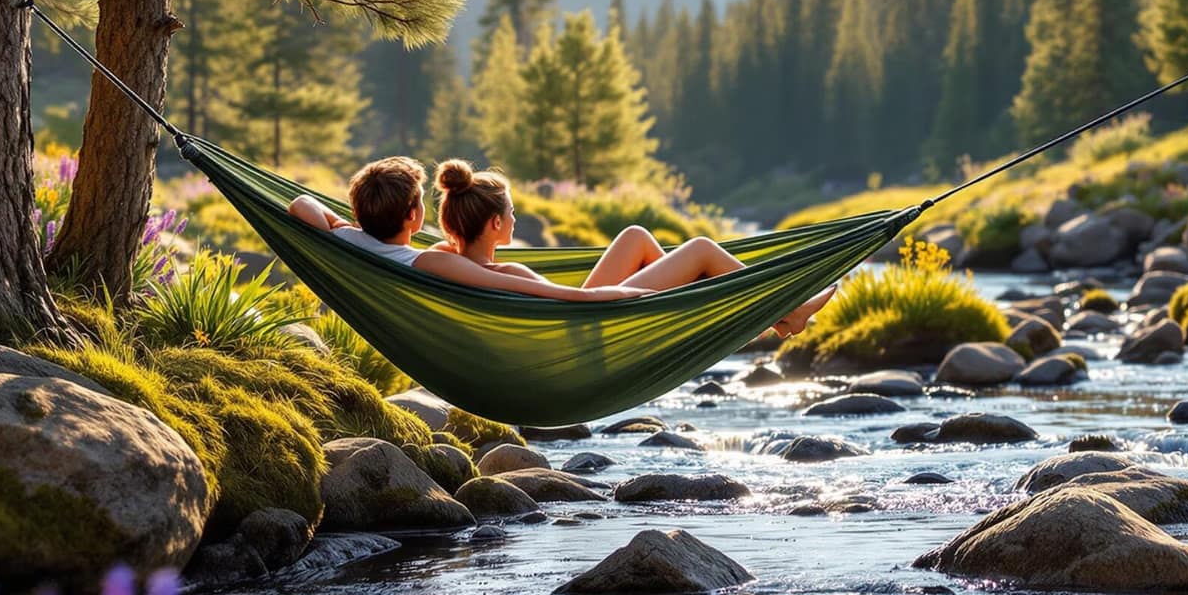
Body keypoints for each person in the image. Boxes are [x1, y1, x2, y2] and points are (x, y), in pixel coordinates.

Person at [429, 159, 834, 338]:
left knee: (635, 236)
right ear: (496, 224)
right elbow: (576, 299)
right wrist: (634, 295)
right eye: (512, 212)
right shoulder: (505, 274)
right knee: (701, 250)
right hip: (590, 333)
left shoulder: (447, 261)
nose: (516, 220)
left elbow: (430, 251)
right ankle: (786, 312)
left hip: (574, 325)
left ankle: (760, 315)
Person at [287, 156, 647, 302]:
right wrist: (592, 297)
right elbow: (505, 282)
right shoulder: (425, 263)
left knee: (636, 237)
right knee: (696, 249)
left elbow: (300, 204)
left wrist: (349, 228)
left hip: (359, 232)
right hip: (580, 325)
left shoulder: (347, 240)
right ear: (413, 216)